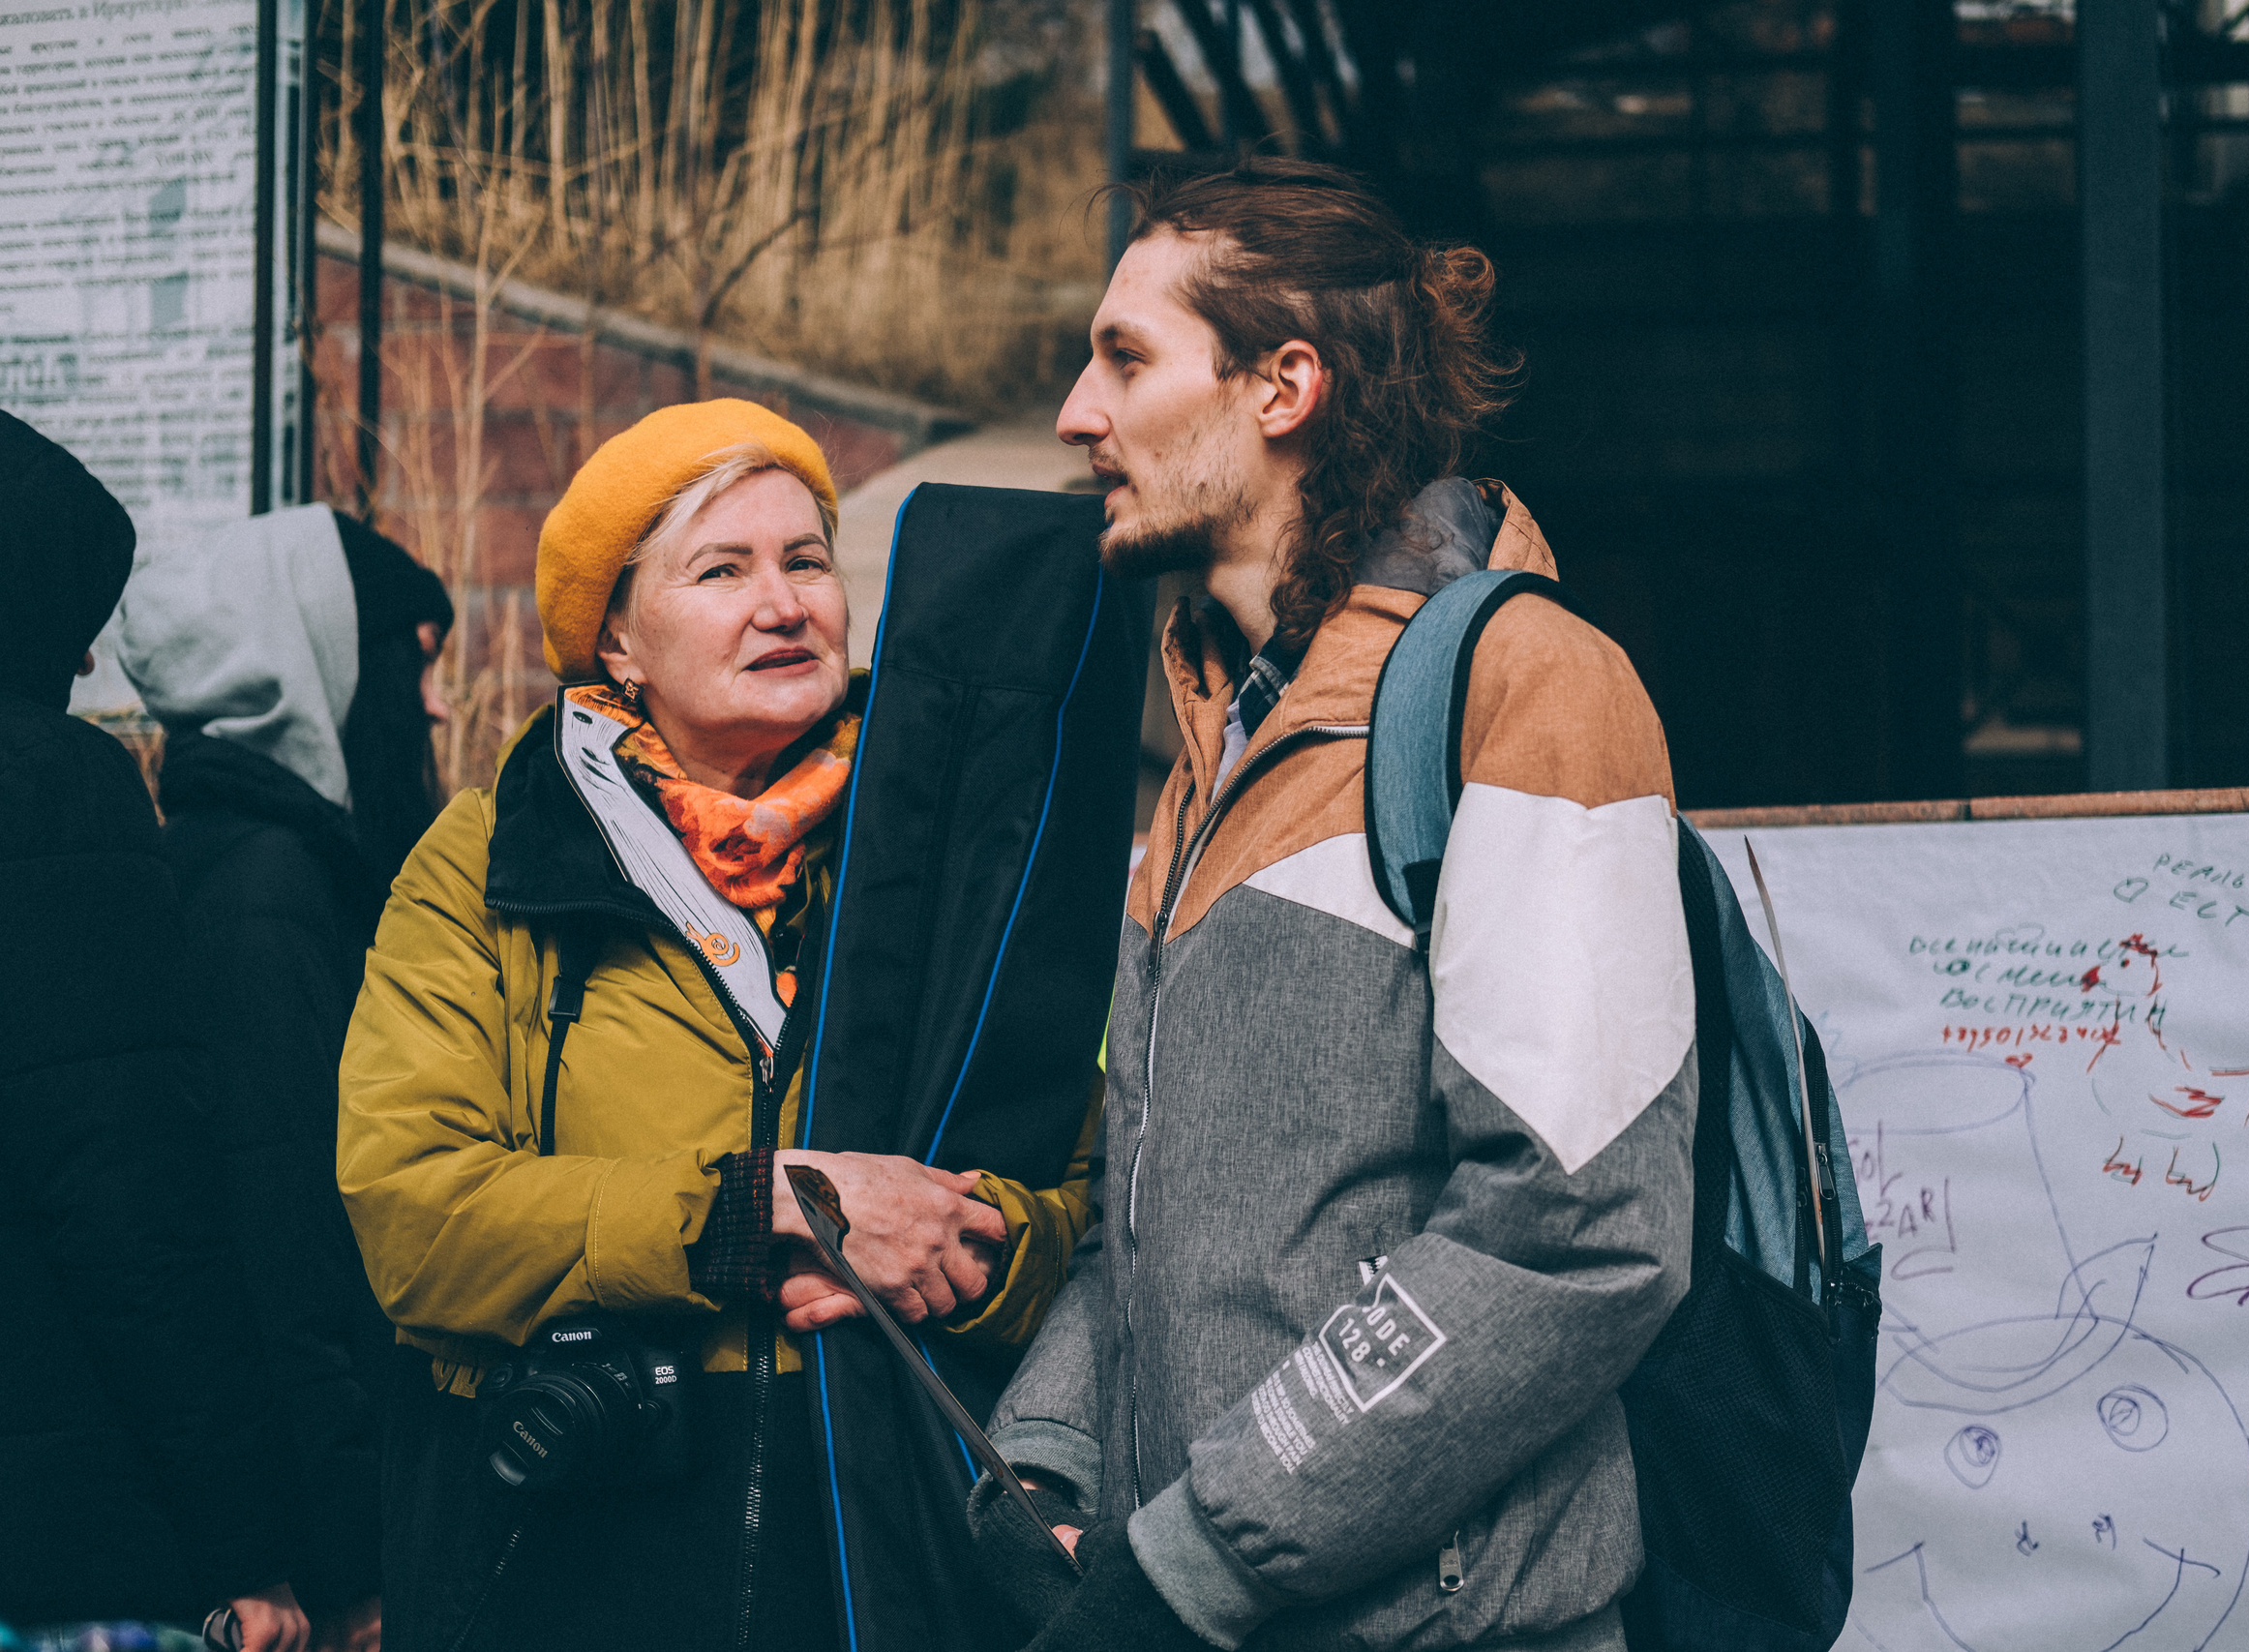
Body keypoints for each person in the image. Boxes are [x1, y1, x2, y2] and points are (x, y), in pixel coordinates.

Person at [970, 158, 1701, 1652]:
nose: (1075, 415)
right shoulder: (1214, 739)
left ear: (1283, 384)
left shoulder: (1528, 686)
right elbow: (1152, 1220)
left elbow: (1573, 1227)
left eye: (1125, 357)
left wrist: (1196, 1554)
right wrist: (1043, 1453)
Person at [335, 400, 1099, 1652]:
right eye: (722, 569)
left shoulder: (945, 856)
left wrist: (986, 1246)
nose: (785, 601)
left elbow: (1093, 1180)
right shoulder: (489, 859)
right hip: (573, 1547)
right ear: (619, 638)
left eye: (806, 559)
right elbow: (412, 1213)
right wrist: (749, 1210)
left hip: (878, 1536)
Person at [118, 506, 460, 1652]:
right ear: (323, 670)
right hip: (338, 1557)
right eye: (414, 667)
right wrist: (356, 1562)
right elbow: (296, 1251)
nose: (440, 705)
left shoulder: (256, 868)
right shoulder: (266, 900)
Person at [0, 410, 313, 1652]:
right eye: (74, 622)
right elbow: (134, 1206)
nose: (86, 671)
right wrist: (250, 1546)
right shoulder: (50, 796)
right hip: (60, 1544)